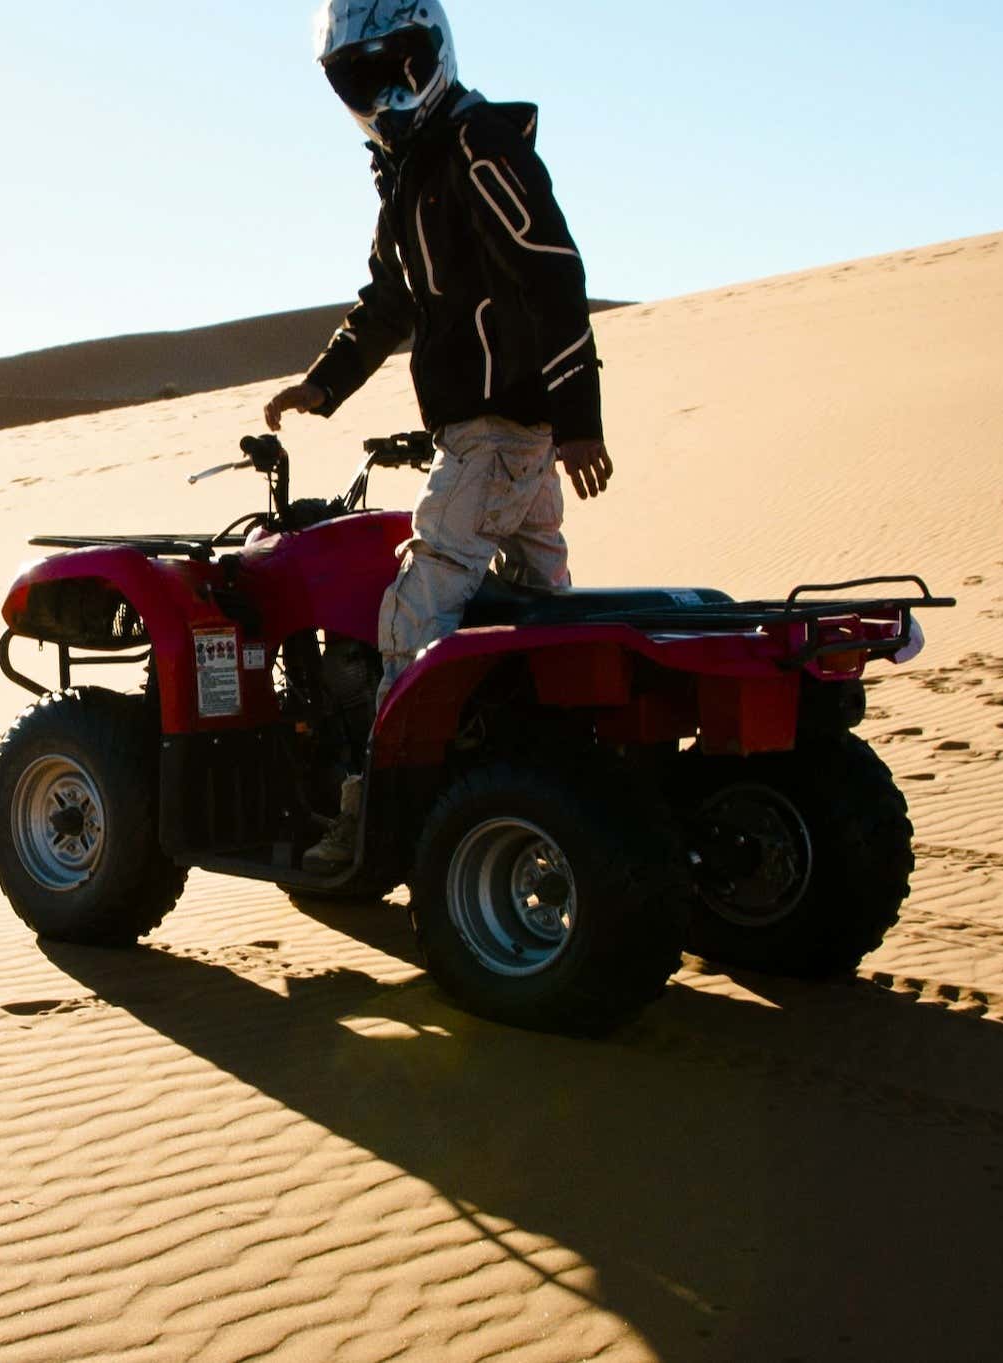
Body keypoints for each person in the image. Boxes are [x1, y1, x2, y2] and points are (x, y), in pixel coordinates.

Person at [266, 0, 612, 872]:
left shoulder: (475, 147)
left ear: (437, 54)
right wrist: (326, 382)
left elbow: (552, 271)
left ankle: (373, 816)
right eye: (363, 78)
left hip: (496, 436)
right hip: (498, 439)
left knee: (413, 616)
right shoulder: (412, 170)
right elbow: (388, 298)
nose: (389, 91)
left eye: (404, 66)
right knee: (540, 609)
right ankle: (558, 777)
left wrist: (577, 418)